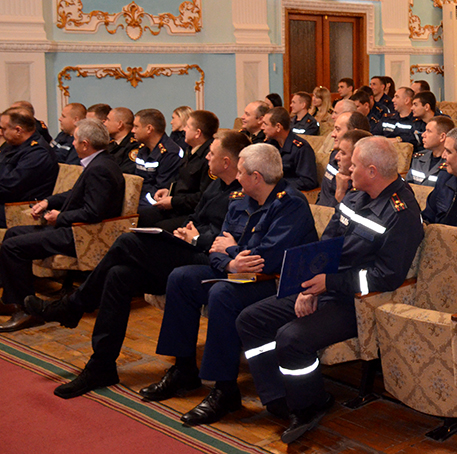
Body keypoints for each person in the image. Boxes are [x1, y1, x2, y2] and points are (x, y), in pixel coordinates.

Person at [24, 131, 251, 398]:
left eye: (212, 154)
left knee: (126, 242)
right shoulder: (216, 185)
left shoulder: (243, 192)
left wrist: (197, 236)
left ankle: (72, 306)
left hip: (211, 262)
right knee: (120, 275)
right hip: (191, 249)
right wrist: (185, 230)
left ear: (226, 162)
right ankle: (102, 365)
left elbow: (231, 237)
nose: (207, 157)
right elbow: (197, 216)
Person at [235, 137, 422, 443]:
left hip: (358, 303)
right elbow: (326, 246)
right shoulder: (353, 197)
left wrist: (328, 284)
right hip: (325, 288)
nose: (346, 166)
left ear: (373, 171)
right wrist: (307, 288)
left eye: (355, 164)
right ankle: (279, 397)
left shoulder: (401, 214)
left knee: (291, 338)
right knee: (250, 319)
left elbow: (385, 278)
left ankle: (309, 406)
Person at [139, 143, 315, 426]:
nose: (237, 177)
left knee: (223, 293)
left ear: (256, 177)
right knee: (181, 278)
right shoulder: (239, 200)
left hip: (277, 284)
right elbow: (216, 250)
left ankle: (225, 389)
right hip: (239, 274)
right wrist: (231, 261)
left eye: (242, 172)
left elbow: (266, 260)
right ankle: (183, 369)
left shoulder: (291, 204)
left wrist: (232, 252)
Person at [0, 119, 125, 331]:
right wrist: (48, 202)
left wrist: (59, 218)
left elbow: (93, 212)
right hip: (72, 227)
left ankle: (27, 310)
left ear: (85, 143)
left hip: (79, 234)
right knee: (12, 234)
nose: (72, 143)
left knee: (13, 247)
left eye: (75, 140)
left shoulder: (100, 169)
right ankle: (13, 301)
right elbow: (75, 194)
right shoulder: (98, 162)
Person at [137, 110, 218, 227]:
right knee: (140, 216)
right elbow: (181, 180)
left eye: (188, 126)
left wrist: (173, 201)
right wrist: (168, 191)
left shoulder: (208, 157)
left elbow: (203, 196)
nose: (184, 129)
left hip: (192, 212)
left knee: (160, 229)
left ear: (197, 133)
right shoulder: (190, 151)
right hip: (178, 206)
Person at [0, 108, 59, 228]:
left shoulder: (37, 153)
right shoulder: (13, 145)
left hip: (19, 207)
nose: (1, 133)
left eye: (4, 129)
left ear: (18, 130)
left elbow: (9, 186)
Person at [316, 112, 369, 208]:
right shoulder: (334, 155)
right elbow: (324, 193)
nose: (332, 134)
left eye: (337, 129)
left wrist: (339, 193)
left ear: (353, 132)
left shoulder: (363, 170)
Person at [262, 107, 319, 191]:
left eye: (265, 124)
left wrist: (279, 185)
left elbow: (308, 181)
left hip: (288, 194)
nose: (262, 127)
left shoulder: (301, 148)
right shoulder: (269, 144)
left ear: (278, 127)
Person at [133, 109, 184, 203]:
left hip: (155, 204)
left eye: (136, 127)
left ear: (149, 129)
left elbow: (160, 190)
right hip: (139, 200)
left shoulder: (170, 153)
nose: (132, 131)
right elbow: (137, 181)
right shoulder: (142, 149)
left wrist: (135, 204)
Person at [406, 116, 454, 186]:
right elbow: (408, 185)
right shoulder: (418, 157)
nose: (423, 135)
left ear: (442, 137)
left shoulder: (452, 163)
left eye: (429, 131)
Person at [104, 106, 141, 171]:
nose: (105, 123)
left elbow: (126, 172)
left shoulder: (133, 146)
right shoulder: (110, 143)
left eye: (108, 120)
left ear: (120, 124)